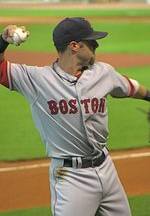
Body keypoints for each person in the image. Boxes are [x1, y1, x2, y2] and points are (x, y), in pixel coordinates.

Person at [0, 17, 149, 216]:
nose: (96, 45)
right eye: (91, 42)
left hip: (107, 169)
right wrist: (3, 40)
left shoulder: (103, 72)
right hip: (71, 178)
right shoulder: (36, 79)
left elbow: (131, 87)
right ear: (74, 46)